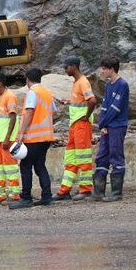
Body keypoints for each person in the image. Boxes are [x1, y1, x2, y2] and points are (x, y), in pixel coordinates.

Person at [9, 68, 57, 209]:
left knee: (25, 166)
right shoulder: (47, 93)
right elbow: (53, 110)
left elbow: (29, 112)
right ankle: (47, 196)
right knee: (40, 166)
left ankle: (26, 198)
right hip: (46, 137)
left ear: (27, 79)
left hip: (33, 137)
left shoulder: (32, 92)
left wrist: (21, 133)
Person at [54, 56, 97, 201]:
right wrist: (69, 102)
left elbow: (92, 101)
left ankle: (86, 189)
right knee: (71, 158)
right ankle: (64, 190)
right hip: (75, 125)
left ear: (73, 67)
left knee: (83, 157)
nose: (65, 70)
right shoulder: (77, 83)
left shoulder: (83, 82)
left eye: (66, 67)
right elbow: (82, 101)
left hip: (81, 125)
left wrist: (86, 116)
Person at [94, 57, 129, 201]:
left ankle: (116, 192)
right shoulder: (109, 85)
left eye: (104, 68)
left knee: (116, 155)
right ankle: (98, 191)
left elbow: (115, 108)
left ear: (111, 69)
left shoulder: (122, 84)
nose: (102, 71)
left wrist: (103, 124)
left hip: (117, 125)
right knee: (102, 155)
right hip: (108, 126)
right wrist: (102, 125)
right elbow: (105, 107)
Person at [0, 72, 20, 204]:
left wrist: (7, 138)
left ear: (0, 83)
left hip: (7, 140)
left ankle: (14, 196)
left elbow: (12, 117)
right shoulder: (1, 97)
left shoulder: (10, 96)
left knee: (10, 168)